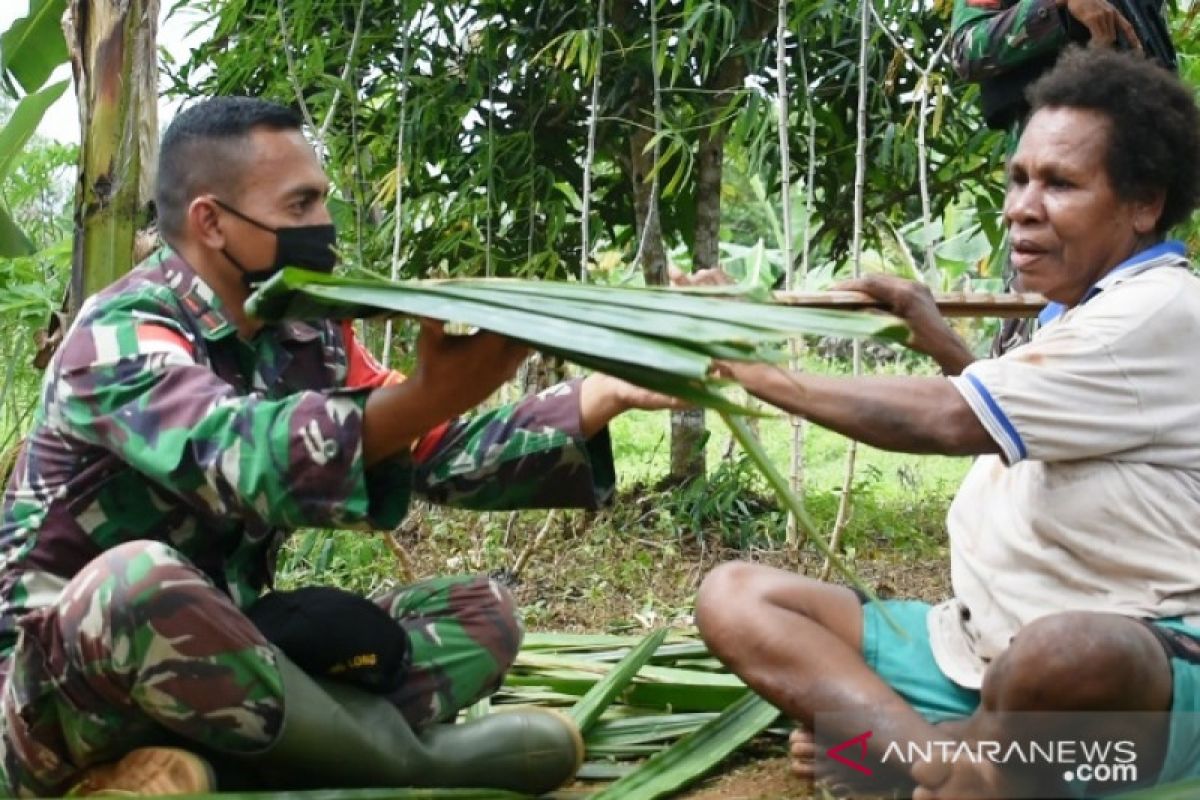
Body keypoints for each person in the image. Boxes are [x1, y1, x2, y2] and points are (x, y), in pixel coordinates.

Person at [0, 96, 676, 797]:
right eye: (301, 206)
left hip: (220, 654)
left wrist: (608, 392)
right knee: (134, 584)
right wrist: (428, 392)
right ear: (211, 221)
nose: (323, 225)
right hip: (54, 693)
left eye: (323, 201)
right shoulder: (119, 334)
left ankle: (188, 771)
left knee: (481, 614)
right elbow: (237, 453)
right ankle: (409, 763)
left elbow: (436, 448)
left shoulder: (305, 336)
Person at [694, 47, 1200, 799]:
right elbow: (1027, 422)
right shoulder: (1077, 313)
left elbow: (952, 422)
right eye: (1020, 178)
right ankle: (942, 768)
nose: (1021, 207)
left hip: (1127, 689)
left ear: (1143, 203)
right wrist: (937, 336)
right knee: (735, 596)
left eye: (1060, 183)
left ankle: (914, 763)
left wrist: (745, 368)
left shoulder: (1159, 308)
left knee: (1059, 653)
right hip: (973, 649)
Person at [950, 0, 1174, 356]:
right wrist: (1061, 12)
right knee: (1035, 338)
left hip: (1133, 178)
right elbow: (965, 49)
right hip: (1057, 173)